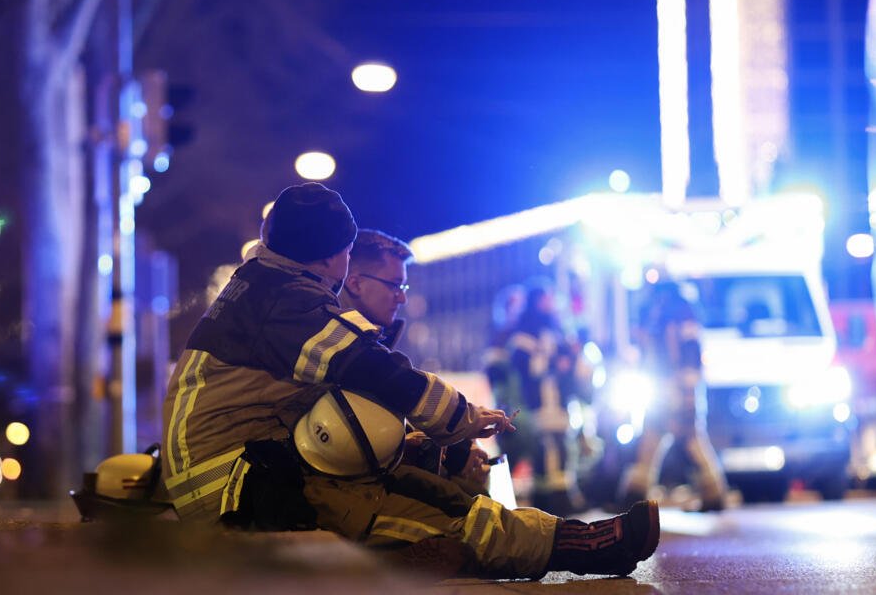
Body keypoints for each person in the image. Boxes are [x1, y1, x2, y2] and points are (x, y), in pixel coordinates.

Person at [161, 183, 660, 579]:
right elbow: (372, 370)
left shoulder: (266, 287)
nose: (399, 295)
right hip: (242, 487)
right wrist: (460, 420)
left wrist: (428, 441)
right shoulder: (288, 303)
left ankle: (576, 538)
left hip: (251, 470)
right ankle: (589, 548)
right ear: (333, 257)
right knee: (434, 519)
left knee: (432, 495)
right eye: (347, 251)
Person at [339, 228, 491, 495]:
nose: (402, 297)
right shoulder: (340, 344)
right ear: (355, 283)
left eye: (404, 286)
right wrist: (454, 452)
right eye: (394, 285)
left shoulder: (360, 340)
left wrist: (452, 448)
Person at [623, 281, 728, 512]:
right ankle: (636, 496)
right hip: (668, 385)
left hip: (678, 386)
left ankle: (635, 496)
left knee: (686, 438)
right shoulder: (669, 316)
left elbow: (688, 351)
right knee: (659, 438)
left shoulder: (676, 316)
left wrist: (686, 382)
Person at [491, 281, 588, 516]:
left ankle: (559, 497)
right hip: (533, 405)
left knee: (561, 448)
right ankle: (548, 501)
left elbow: (569, 363)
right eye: (544, 298)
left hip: (558, 402)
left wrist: (569, 358)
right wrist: (555, 362)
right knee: (542, 451)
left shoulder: (556, 332)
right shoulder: (519, 339)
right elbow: (527, 371)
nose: (550, 303)